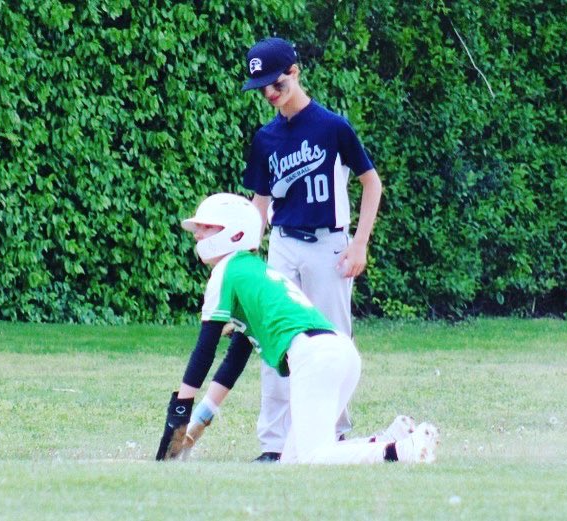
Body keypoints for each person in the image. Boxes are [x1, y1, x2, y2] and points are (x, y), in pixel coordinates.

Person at [155, 193, 438, 465]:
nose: (197, 234)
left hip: (315, 357)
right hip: (337, 353)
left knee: (312, 459)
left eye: (206, 227)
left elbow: (205, 350)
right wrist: (197, 425)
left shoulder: (227, 271)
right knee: (293, 460)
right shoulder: (251, 271)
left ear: (236, 233)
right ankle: (388, 440)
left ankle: (401, 451)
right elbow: (234, 359)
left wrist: (179, 412)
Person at [240, 37, 384, 461]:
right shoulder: (265, 137)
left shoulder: (332, 126)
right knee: (274, 342)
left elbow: (371, 182)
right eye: (262, 87)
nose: (270, 92)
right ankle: (272, 445)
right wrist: (244, 254)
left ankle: (334, 437)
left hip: (329, 245)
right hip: (283, 245)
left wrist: (360, 243)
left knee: (333, 342)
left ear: (295, 71)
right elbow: (261, 205)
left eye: (275, 81)